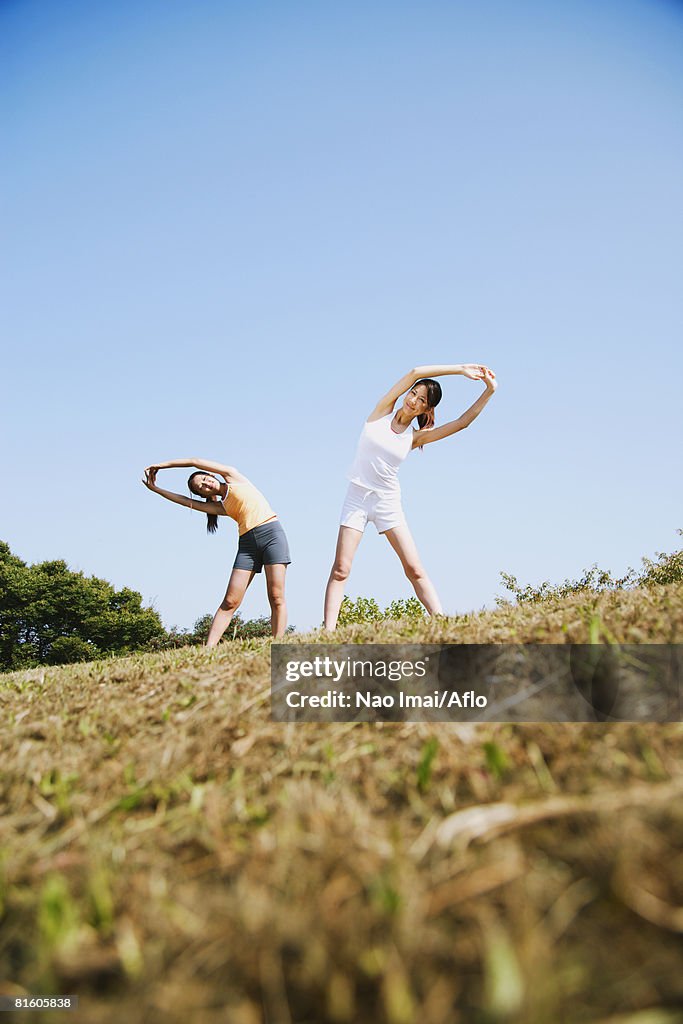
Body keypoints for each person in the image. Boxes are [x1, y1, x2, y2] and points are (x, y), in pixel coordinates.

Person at [323, 363, 497, 629]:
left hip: (387, 503)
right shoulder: (381, 411)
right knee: (341, 570)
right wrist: (461, 369)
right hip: (356, 497)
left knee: (414, 569)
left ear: (427, 409)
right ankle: (329, 633)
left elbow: (462, 423)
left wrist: (489, 391)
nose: (413, 400)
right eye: (413, 394)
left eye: (422, 400)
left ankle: (441, 624)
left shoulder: (414, 438)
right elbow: (416, 372)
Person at [143, 458, 290, 643]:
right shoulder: (221, 507)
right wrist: (156, 490)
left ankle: (277, 643)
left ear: (210, 474)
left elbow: (194, 461)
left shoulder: (233, 476)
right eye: (200, 488)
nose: (205, 484)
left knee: (276, 596)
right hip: (247, 545)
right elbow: (185, 501)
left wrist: (162, 465)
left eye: (204, 479)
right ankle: (209, 649)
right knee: (230, 601)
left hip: (272, 535)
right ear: (201, 494)